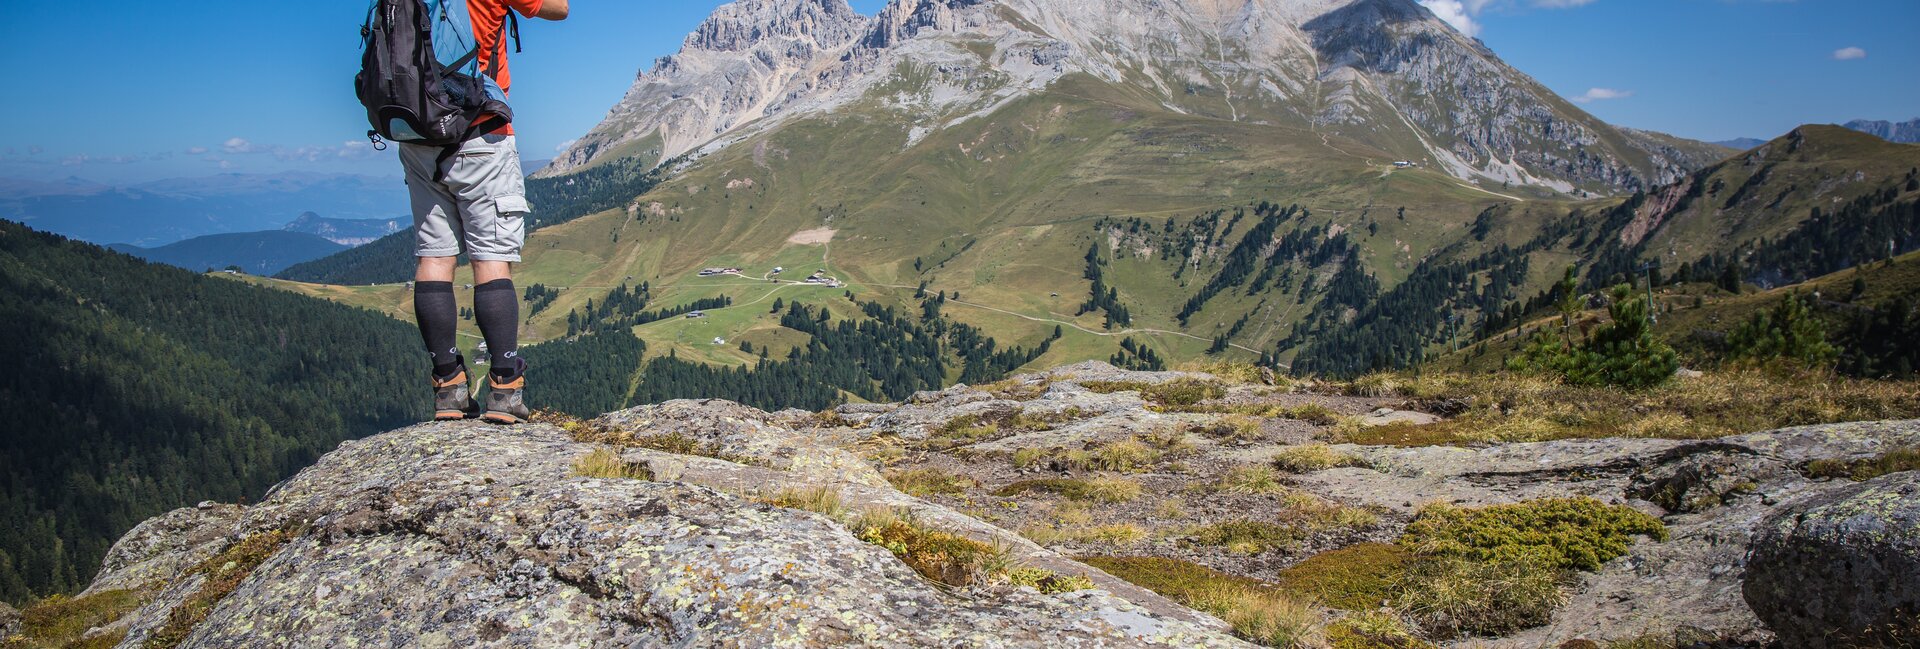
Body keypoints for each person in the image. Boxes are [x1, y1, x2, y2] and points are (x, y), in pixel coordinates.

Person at [405, 0, 568, 425]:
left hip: (418, 132)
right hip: (480, 130)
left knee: (435, 257)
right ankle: (504, 388)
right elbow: (558, 8)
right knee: (491, 258)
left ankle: (448, 387)